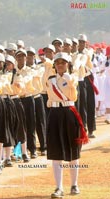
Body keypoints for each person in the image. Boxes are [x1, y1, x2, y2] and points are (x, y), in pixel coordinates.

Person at [46, 52, 88, 198]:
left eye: (63, 62)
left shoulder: (73, 77)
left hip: (69, 113)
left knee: (72, 149)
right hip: (55, 113)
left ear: (68, 64)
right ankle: (59, 187)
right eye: (57, 62)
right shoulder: (50, 80)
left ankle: (74, 184)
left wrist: (68, 78)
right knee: (56, 150)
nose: (60, 65)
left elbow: (74, 93)